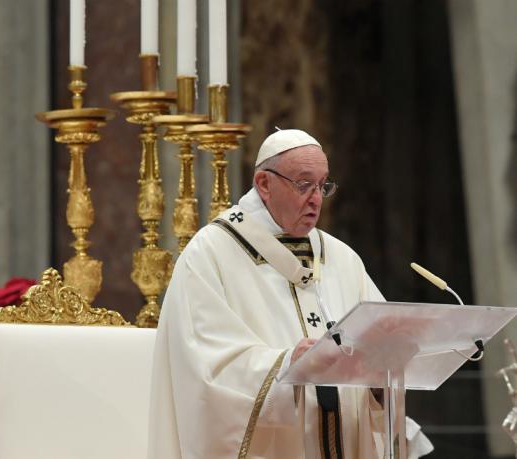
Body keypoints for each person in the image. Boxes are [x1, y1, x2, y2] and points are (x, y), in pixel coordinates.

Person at [147, 129, 432, 458]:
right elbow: (201, 367)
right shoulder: (210, 253)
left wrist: (383, 375)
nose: (315, 198)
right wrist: (286, 364)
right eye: (303, 184)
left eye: (323, 185)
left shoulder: (340, 257)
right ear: (264, 184)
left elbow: (382, 340)